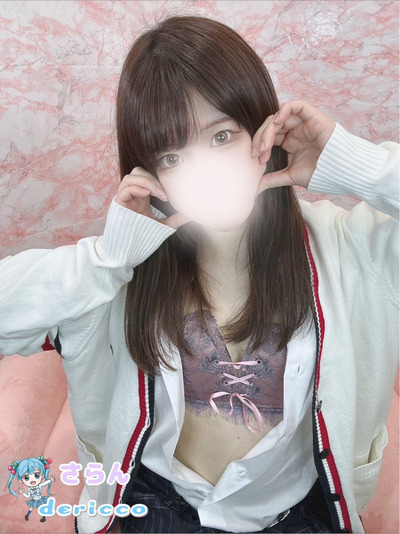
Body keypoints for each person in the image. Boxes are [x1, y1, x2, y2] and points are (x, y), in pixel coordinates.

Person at [0, 14, 398, 534]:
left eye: (222, 135)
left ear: (265, 128)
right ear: (149, 173)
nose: (203, 169)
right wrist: (109, 258)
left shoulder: (353, 250)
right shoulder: (118, 275)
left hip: (297, 509)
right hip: (158, 502)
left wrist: (354, 163)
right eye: (171, 154)